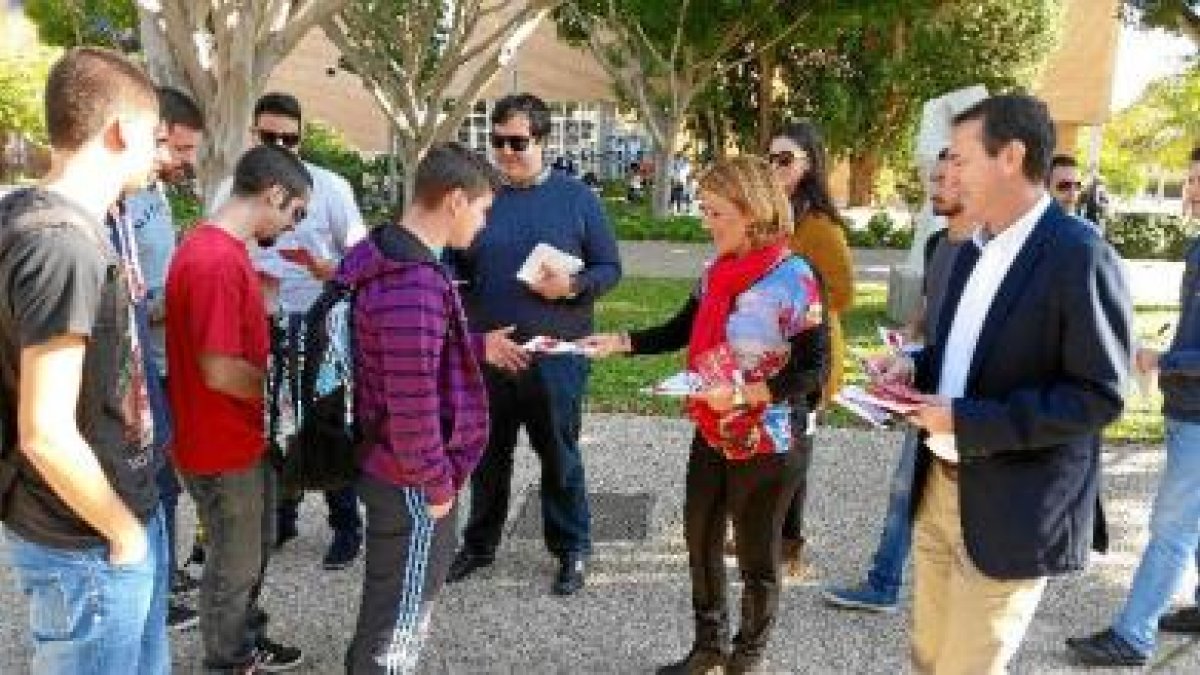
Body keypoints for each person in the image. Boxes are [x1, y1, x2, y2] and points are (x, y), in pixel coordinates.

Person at [871, 94, 1131, 674]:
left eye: (961, 158)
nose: (949, 172)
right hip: (937, 488)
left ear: (1010, 157)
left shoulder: (1080, 256)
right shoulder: (967, 251)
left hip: (1014, 506)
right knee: (929, 658)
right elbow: (958, 353)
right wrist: (912, 365)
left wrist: (968, 423)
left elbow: (1099, 396)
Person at [583, 156, 828, 674]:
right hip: (713, 432)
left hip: (768, 442)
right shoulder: (716, 271)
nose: (706, 221)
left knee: (758, 561)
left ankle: (747, 657)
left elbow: (812, 371)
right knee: (701, 543)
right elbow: (681, 328)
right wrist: (621, 342)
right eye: (705, 210)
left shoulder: (795, 277)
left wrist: (743, 395)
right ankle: (709, 647)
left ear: (753, 212)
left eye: (717, 212)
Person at [0, 46, 169, 674]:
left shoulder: (32, 218)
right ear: (121, 131)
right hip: (86, 543)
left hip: (101, 522)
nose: (159, 155)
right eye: (154, 137)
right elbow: (44, 431)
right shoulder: (60, 246)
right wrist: (123, 533)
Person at [445, 92, 622, 596]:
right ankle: (479, 545)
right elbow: (451, 269)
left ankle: (571, 550)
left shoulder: (578, 199)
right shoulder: (477, 198)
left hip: (556, 357)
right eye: (497, 142)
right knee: (486, 457)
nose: (505, 152)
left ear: (542, 139)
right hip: (490, 356)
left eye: (516, 142)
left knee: (560, 455)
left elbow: (611, 269)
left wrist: (571, 286)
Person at [342, 143, 508, 674]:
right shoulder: (412, 282)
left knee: (388, 596)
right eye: (481, 211)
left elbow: (405, 353)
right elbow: (411, 402)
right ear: (456, 201)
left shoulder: (383, 253)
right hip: (409, 478)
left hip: (386, 464)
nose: (482, 226)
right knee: (401, 620)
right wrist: (436, 486)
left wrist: (476, 346)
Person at [166, 145, 311, 672]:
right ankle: (227, 660)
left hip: (236, 436)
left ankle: (245, 639)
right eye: (296, 213)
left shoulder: (219, 252)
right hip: (219, 442)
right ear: (274, 193)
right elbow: (220, 370)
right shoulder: (214, 260)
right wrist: (283, 397)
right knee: (235, 560)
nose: (294, 227)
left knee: (251, 550)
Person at [213, 92, 369, 570]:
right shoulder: (231, 191)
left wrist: (332, 270)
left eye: (290, 138)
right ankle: (282, 516)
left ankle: (346, 526)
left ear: (303, 136)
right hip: (263, 324)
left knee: (327, 420)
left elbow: (365, 260)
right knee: (273, 421)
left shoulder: (332, 188)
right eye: (269, 137)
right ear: (253, 136)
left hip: (323, 326)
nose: (281, 145)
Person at [822, 148, 974, 613]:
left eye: (944, 180)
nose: (934, 190)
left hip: (971, 404)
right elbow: (930, 317)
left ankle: (958, 600)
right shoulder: (936, 246)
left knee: (958, 506)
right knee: (907, 489)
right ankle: (885, 582)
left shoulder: (987, 249)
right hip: (928, 390)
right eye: (933, 179)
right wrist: (903, 353)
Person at [1065, 147, 1200, 667]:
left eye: (1195, 181)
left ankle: (1133, 636)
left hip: (1196, 412)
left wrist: (1164, 358)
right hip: (1187, 405)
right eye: (1189, 179)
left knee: (1172, 528)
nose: (1190, 190)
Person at [118, 85, 206, 631]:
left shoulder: (155, 196)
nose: (185, 161)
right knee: (151, 483)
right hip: (137, 368)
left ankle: (164, 575)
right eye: (178, 147)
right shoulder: (115, 204)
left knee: (168, 483)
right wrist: (166, 307)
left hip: (166, 362)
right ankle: (153, 585)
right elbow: (122, 302)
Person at [766, 120, 855, 576]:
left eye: (786, 159)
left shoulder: (820, 228)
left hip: (808, 357)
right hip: (766, 352)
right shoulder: (769, 215)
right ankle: (764, 529)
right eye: (771, 158)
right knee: (767, 443)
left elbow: (842, 294)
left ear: (810, 165)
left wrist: (791, 308)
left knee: (795, 452)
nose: (775, 166)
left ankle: (789, 544)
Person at [1047, 154, 1087, 221]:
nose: (1073, 193)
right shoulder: (1029, 226)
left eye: (1077, 185)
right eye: (1065, 185)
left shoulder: (1087, 230)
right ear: (1046, 187)